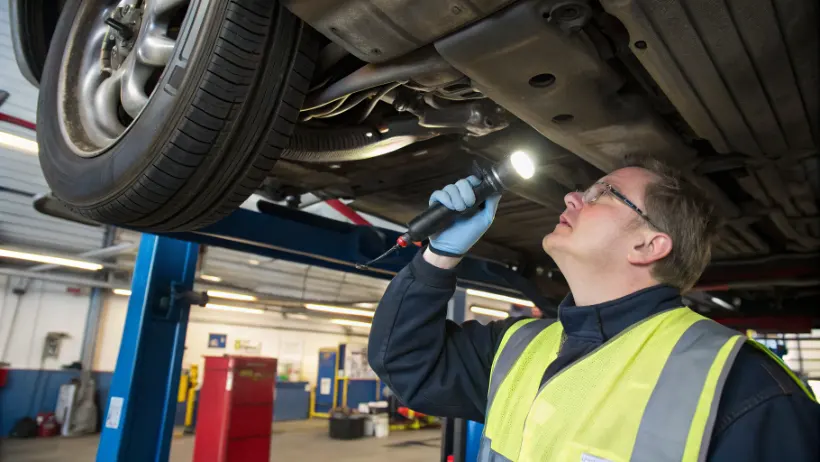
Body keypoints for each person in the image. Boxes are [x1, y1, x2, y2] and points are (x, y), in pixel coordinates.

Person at [367, 157, 820, 461]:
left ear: (647, 244)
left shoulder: (748, 390)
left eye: (602, 194)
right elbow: (404, 362)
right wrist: (438, 257)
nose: (572, 198)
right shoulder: (518, 345)